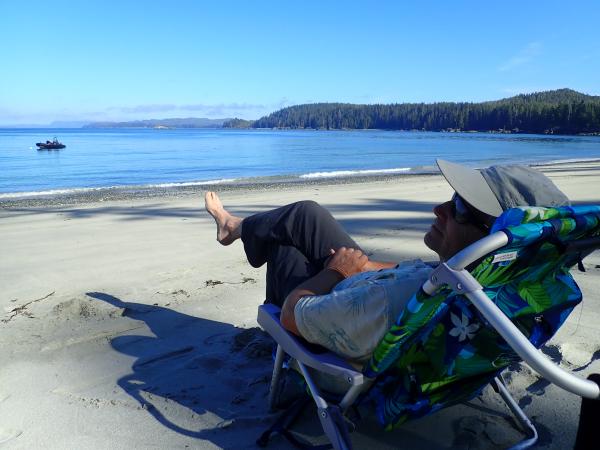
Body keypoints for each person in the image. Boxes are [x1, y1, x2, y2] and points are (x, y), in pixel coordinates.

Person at [205, 159, 570, 364]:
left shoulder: (388, 302)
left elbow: (291, 313)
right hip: (362, 292)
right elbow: (420, 280)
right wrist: (363, 268)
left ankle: (233, 227)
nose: (439, 209)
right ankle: (235, 227)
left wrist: (337, 272)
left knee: (286, 241)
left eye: (459, 208)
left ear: (492, 239)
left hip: (336, 310)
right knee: (305, 215)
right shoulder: (488, 285)